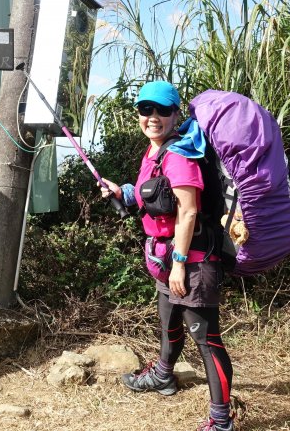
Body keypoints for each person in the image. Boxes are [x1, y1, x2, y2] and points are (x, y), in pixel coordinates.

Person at [100, 80, 235, 431]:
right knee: (168, 324)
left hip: (192, 261)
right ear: (139, 114)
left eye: (162, 110)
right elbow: (152, 196)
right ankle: (163, 376)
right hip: (165, 258)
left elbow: (188, 212)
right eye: (146, 110)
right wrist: (123, 192)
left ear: (176, 114)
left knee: (207, 340)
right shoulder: (154, 152)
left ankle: (221, 422)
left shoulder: (180, 155)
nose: (154, 117)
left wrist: (178, 264)